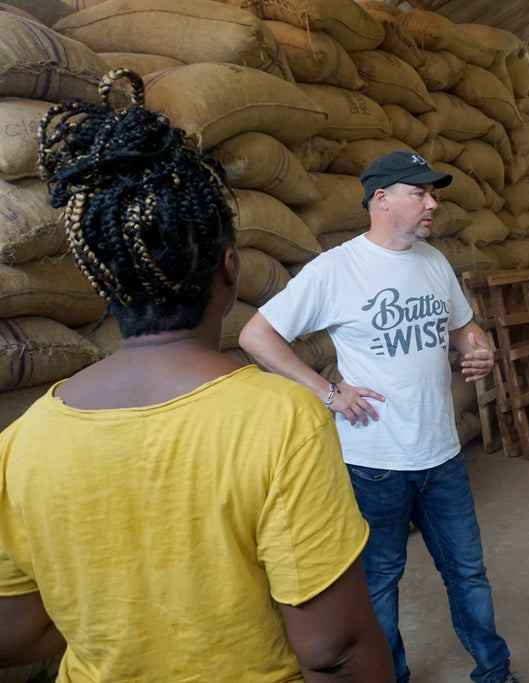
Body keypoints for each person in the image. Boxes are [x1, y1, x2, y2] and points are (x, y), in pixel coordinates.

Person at [0, 70, 393, 682]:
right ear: (231, 268)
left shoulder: (22, 441)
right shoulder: (279, 418)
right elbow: (334, 649)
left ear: (102, 280)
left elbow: (16, 630)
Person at [239, 152, 519, 683]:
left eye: (433, 194)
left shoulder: (435, 262)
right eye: (420, 193)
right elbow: (256, 335)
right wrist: (327, 392)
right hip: (374, 462)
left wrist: (476, 347)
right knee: (381, 581)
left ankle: (495, 672)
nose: (432, 203)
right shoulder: (336, 268)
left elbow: (463, 328)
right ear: (382, 199)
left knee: (468, 574)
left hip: (443, 456)